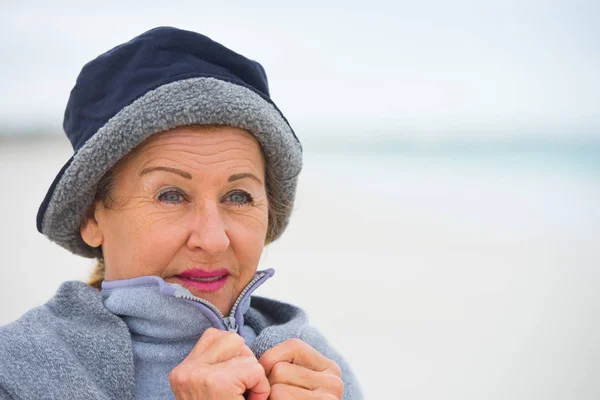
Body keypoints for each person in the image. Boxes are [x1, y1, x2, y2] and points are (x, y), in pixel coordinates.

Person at [0, 27, 362, 400]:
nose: (212, 239)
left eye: (238, 196)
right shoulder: (14, 373)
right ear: (92, 219)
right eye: (171, 195)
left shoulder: (318, 370)